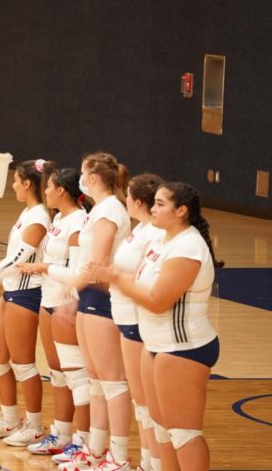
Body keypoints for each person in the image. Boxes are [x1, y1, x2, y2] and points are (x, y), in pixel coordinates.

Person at [91, 183, 222, 471]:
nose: (152, 208)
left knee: (183, 433)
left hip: (183, 348)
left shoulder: (188, 246)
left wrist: (116, 278)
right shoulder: (161, 241)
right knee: (161, 428)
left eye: (161, 204)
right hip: (155, 345)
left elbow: (158, 301)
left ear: (181, 211)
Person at [61, 152, 132, 471]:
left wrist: (73, 294)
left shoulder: (110, 210)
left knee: (112, 382)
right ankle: (96, 450)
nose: (80, 177)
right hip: (88, 295)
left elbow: (99, 261)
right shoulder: (98, 209)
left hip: (104, 299)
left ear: (92, 178)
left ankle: (119, 456)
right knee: (95, 381)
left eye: (83, 172)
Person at [0, 159, 52, 446]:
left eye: (16, 180)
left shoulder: (40, 217)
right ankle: (9, 421)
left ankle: (33, 425)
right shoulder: (28, 211)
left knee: (24, 364)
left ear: (28, 184)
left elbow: (19, 256)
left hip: (27, 292)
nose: (13, 185)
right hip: (10, 291)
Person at [17, 167, 90, 459]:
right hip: (48, 298)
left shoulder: (79, 222)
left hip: (66, 303)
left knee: (76, 377)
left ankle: (84, 442)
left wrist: (44, 268)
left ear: (61, 190)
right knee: (57, 375)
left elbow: (76, 272)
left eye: (48, 187)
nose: (44, 191)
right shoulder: (58, 218)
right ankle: (62, 435)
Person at [108, 173, 165, 471]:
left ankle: (152, 463)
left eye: (128, 196)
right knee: (141, 404)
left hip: (137, 321)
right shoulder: (140, 229)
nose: (124, 200)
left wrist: (114, 278)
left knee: (145, 404)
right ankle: (147, 461)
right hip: (125, 317)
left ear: (138, 201)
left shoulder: (153, 235)